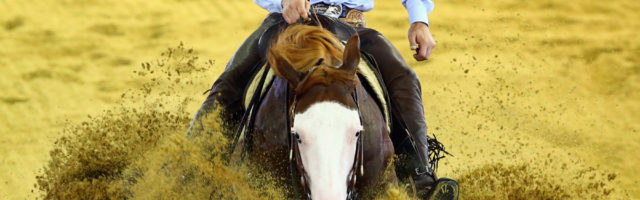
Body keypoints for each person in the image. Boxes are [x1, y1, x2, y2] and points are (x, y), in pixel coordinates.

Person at [189, 0, 459, 199]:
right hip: (284, 25)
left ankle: (420, 180)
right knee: (229, 85)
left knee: (404, 78)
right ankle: (188, 176)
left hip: (351, 27)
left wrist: (419, 19)